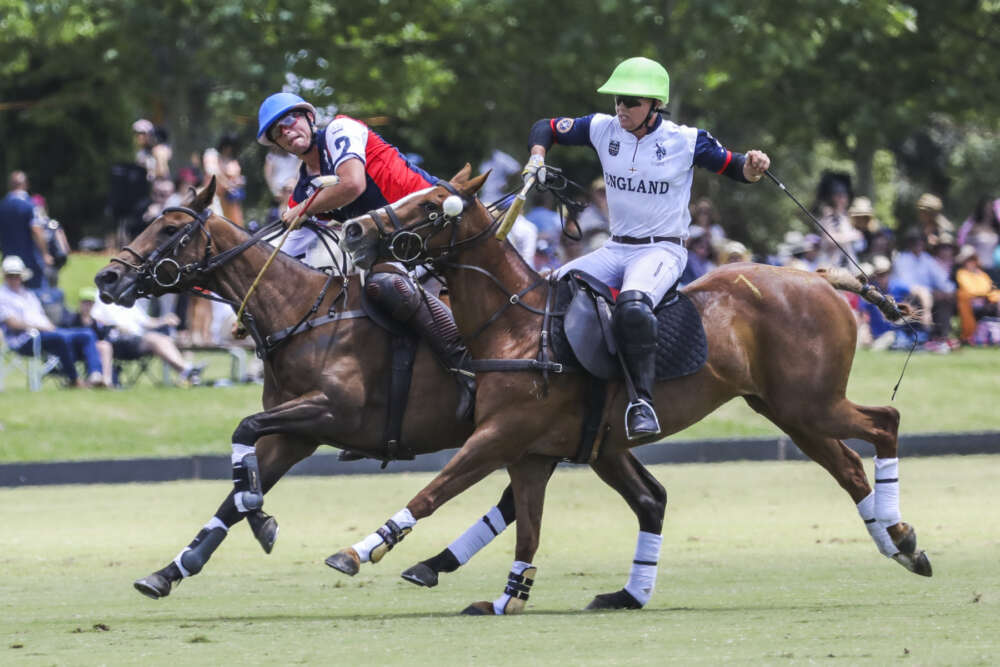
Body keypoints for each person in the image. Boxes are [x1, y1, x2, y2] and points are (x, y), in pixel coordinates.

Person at [520, 56, 770, 440]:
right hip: (615, 248)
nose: (622, 108)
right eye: (618, 99)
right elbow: (546, 127)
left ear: (655, 106)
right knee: (545, 288)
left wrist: (753, 168)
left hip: (662, 251)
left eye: (632, 102)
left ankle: (642, 402)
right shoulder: (603, 129)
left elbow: (735, 168)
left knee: (633, 306)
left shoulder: (686, 141)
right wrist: (537, 158)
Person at [255, 92, 475, 418]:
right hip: (405, 252)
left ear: (308, 118)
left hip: (439, 225)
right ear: (278, 144)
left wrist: (303, 209)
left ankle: (466, 371)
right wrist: (252, 298)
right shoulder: (304, 190)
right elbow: (284, 255)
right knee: (357, 299)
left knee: (382, 283)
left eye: (290, 120)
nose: (287, 131)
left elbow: (352, 185)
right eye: (277, 132)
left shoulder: (340, 131)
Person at [0, 256, 107, 387]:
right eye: (11, 275)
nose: (14, 279)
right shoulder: (3, 296)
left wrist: (48, 326)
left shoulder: (28, 294)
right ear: (5, 276)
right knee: (60, 338)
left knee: (87, 334)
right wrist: (40, 327)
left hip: (46, 332)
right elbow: (12, 323)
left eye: (16, 275)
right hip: (25, 338)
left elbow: (41, 316)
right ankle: (74, 379)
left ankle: (95, 376)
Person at [75, 287, 205, 386]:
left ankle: (185, 370)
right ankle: (186, 370)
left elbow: (145, 321)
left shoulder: (128, 298)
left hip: (135, 340)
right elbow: (94, 318)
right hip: (115, 340)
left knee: (162, 339)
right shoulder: (102, 296)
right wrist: (114, 325)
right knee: (154, 339)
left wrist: (163, 320)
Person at [892, 231, 956, 348]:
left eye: (920, 242)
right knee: (919, 298)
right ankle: (922, 337)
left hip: (928, 295)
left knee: (945, 300)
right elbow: (907, 285)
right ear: (909, 244)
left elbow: (941, 280)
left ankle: (941, 338)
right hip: (908, 296)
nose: (918, 245)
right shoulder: (902, 259)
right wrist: (928, 293)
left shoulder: (927, 259)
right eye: (915, 242)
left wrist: (948, 292)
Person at [0, 171, 51, 289]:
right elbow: (36, 230)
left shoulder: (2, 206)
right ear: (25, 184)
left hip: (8, 260)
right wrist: (45, 253)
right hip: (29, 259)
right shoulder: (30, 205)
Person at [953, 245, 1000, 344]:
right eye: (968, 260)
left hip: (987, 301)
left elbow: (989, 288)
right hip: (971, 302)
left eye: (973, 259)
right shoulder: (961, 273)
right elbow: (969, 289)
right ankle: (971, 336)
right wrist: (984, 295)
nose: (971, 262)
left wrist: (989, 296)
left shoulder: (982, 274)